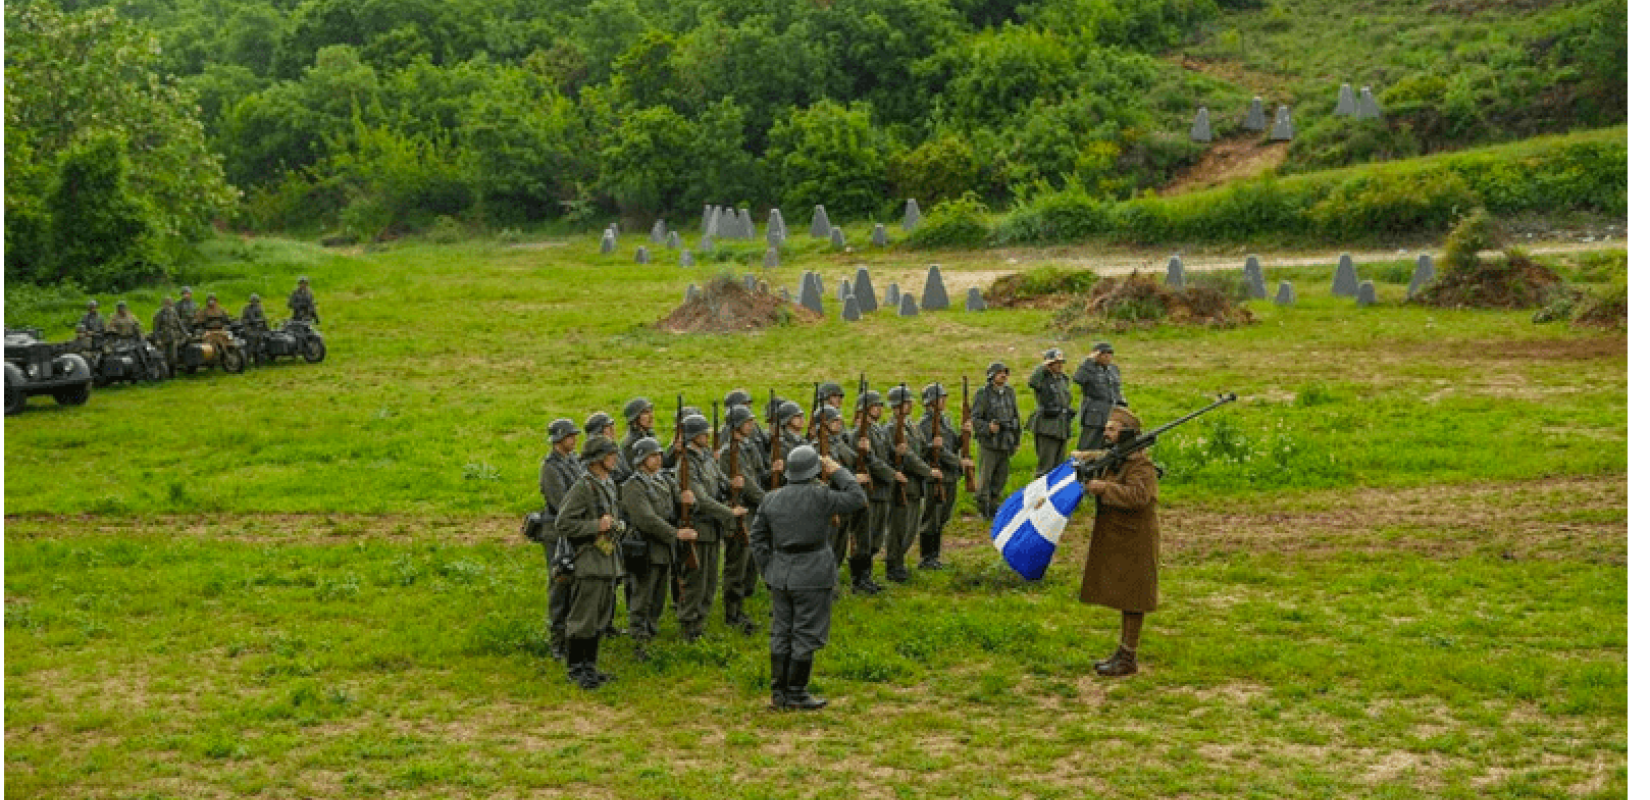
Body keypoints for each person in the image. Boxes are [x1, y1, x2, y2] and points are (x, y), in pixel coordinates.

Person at [749, 444, 867, 710]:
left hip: (781, 572)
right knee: (805, 633)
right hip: (813, 571)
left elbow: (757, 538)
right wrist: (837, 471)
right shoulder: (822, 496)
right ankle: (796, 692)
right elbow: (857, 497)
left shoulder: (771, 498)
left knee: (781, 632)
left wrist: (768, 568)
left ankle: (779, 693)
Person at [1076, 407, 1161, 677]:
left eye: (1112, 429)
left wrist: (1104, 489)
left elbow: (1139, 496)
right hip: (1121, 536)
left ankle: (1128, 657)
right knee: (1126, 595)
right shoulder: (1119, 458)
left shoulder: (1141, 465)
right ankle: (1124, 653)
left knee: (1134, 597)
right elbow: (1104, 457)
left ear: (1125, 434)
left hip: (1136, 539)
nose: (1106, 433)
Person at [553, 435, 626, 689]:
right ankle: (576, 670)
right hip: (588, 562)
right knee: (583, 619)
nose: (615, 458)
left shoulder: (608, 484)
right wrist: (596, 525)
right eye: (609, 454)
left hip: (607, 560)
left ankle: (590, 667)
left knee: (599, 618)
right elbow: (563, 523)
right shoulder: (583, 487)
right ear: (597, 459)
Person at [619, 437, 690, 660]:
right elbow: (645, 519)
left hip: (664, 547)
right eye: (652, 456)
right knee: (643, 593)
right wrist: (674, 533)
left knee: (659, 593)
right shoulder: (633, 486)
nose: (658, 459)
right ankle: (638, 634)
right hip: (645, 546)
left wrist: (687, 500)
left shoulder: (663, 480)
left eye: (659, 455)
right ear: (641, 460)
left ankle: (651, 628)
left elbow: (676, 505)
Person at [675, 413, 742, 641]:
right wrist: (728, 513)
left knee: (711, 580)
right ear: (694, 436)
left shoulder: (706, 459)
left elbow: (720, 480)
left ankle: (699, 623)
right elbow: (700, 499)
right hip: (698, 528)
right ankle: (688, 624)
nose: (707, 436)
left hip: (712, 528)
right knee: (696, 580)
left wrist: (732, 483)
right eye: (703, 433)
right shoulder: (687, 464)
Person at [718, 404, 766, 634]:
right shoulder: (729, 452)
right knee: (736, 565)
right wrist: (767, 501)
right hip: (739, 514)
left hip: (752, 513)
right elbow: (745, 482)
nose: (751, 425)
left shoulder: (749, 447)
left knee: (749, 564)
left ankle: (740, 607)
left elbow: (759, 473)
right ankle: (732, 611)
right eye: (747, 421)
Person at [881, 384, 936, 584]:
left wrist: (933, 446)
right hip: (902, 485)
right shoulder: (891, 428)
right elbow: (908, 457)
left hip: (913, 485)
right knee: (898, 528)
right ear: (897, 406)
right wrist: (928, 472)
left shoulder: (910, 426)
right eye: (906, 402)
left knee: (910, 528)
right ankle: (893, 565)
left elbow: (919, 448)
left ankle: (899, 562)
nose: (910, 404)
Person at [539, 418, 582, 661]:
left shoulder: (573, 461)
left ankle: (572, 636)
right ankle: (558, 641)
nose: (574, 440)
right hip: (557, 533)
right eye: (569, 436)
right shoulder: (550, 468)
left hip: (573, 529)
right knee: (560, 585)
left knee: (575, 585)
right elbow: (560, 502)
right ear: (558, 439)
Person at [916, 383, 969, 570]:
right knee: (932, 517)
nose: (944, 401)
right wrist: (958, 462)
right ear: (930, 402)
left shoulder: (944, 421)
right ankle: (926, 557)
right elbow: (932, 451)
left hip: (949, 476)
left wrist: (965, 434)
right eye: (940, 398)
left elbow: (953, 444)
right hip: (936, 476)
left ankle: (934, 556)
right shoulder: (925, 424)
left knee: (943, 516)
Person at [847, 390, 895, 594]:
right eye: (874, 405)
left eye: (879, 405)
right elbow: (869, 462)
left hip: (880, 490)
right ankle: (859, 579)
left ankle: (866, 576)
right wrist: (891, 475)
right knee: (864, 538)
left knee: (875, 537)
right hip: (868, 491)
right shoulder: (857, 434)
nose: (879, 408)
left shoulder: (877, 431)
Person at [971, 362, 1021, 520]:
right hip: (990, 442)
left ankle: (994, 506)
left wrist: (1017, 439)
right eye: (1000, 372)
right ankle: (983, 509)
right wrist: (987, 427)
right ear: (992, 375)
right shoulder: (983, 393)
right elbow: (975, 418)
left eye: (1005, 372)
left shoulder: (1009, 392)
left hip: (1006, 441)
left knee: (1001, 476)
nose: (1003, 375)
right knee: (986, 477)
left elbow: (1015, 416)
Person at [1072, 342, 1127, 451]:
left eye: (1109, 354)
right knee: (1088, 444)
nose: (1107, 357)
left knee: (1109, 446)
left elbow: (1116, 389)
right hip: (1094, 414)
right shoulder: (1088, 368)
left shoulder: (1113, 370)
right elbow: (1078, 379)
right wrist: (1088, 361)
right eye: (1103, 354)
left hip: (1111, 413)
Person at [1027, 349, 1073, 475]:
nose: (1059, 365)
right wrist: (1042, 367)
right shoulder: (1042, 379)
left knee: (1059, 466)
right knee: (1046, 467)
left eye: (1060, 362)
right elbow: (1032, 382)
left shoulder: (1062, 379)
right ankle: (1040, 494)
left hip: (1061, 425)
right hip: (1047, 426)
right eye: (1055, 362)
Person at [617, 397, 655, 485]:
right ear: (635, 419)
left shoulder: (649, 436)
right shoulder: (631, 444)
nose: (651, 416)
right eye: (645, 413)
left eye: (650, 411)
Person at [152, 296, 188, 370]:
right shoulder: (159, 314)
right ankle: (164, 371)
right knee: (164, 355)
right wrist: (157, 339)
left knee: (173, 356)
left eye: (169, 304)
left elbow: (179, 324)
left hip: (173, 336)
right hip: (163, 337)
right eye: (166, 304)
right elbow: (156, 328)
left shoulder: (174, 313)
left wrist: (186, 333)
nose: (168, 306)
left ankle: (173, 371)